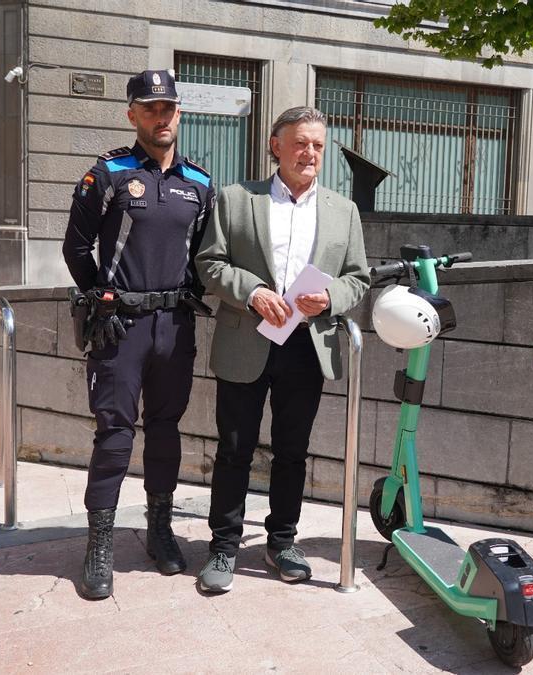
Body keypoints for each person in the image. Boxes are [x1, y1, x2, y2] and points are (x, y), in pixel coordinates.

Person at [194, 106, 369, 593]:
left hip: (306, 346)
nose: (310, 152)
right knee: (234, 449)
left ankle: (282, 541)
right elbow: (209, 263)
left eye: (317, 144)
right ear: (276, 146)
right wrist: (251, 291)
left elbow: (359, 277)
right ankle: (224, 547)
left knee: (293, 451)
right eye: (300, 143)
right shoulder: (235, 199)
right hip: (246, 338)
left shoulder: (343, 210)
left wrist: (331, 297)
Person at [61, 69, 215, 600]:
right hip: (120, 326)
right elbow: (76, 249)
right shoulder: (106, 175)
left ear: (180, 113)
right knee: (114, 433)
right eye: (149, 108)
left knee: (167, 429)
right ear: (131, 114)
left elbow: (206, 256)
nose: (160, 116)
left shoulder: (200, 182)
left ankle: (159, 530)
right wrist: (98, 295)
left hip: (175, 325)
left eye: (168, 107)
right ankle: (99, 545)